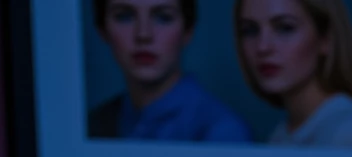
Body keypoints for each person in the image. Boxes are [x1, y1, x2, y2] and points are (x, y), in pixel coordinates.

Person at [88, 0, 252, 143]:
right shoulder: (93, 125)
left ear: (187, 31)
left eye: (163, 17)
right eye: (124, 16)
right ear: (102, 29)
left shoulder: (221, 131)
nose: (143, 34)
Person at [234, 0, 352, 147]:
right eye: (250, 30)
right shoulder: (281, 134)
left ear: (326, 38)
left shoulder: (349, 132)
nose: (262, 47)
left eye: (285, 28)